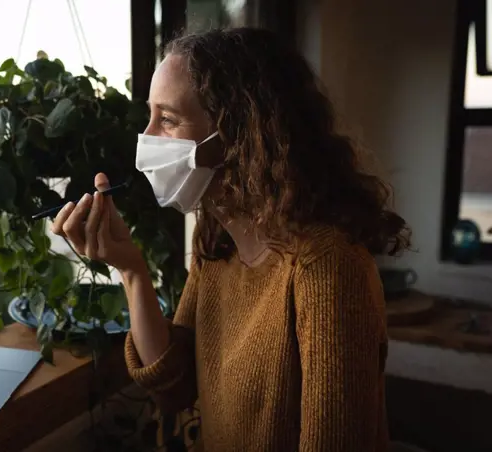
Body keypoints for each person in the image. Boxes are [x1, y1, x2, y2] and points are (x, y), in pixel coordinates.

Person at [51, 27, 411, 452]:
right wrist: (130, 268)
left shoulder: (326, 266)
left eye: (167, 119)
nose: (146, 139)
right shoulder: (219, 246)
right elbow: (174, 388)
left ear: (238, 133)